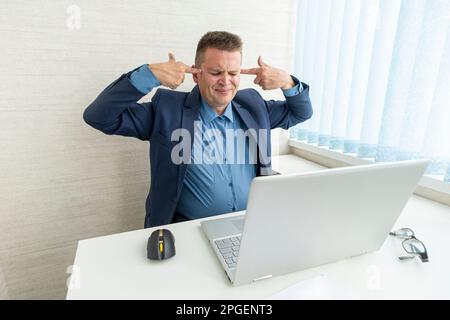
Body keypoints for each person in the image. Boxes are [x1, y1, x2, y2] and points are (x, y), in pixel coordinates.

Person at [83, 31, 313, 228]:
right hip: (188, 230)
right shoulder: (167, 110)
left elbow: (301, 112)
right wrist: (148, 75)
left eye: (233, 73)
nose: (226, 81)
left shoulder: (254, 106)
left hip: (251, 225)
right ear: (196, 74)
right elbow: (99, 117)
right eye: (215, 72)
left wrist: (287, 82)